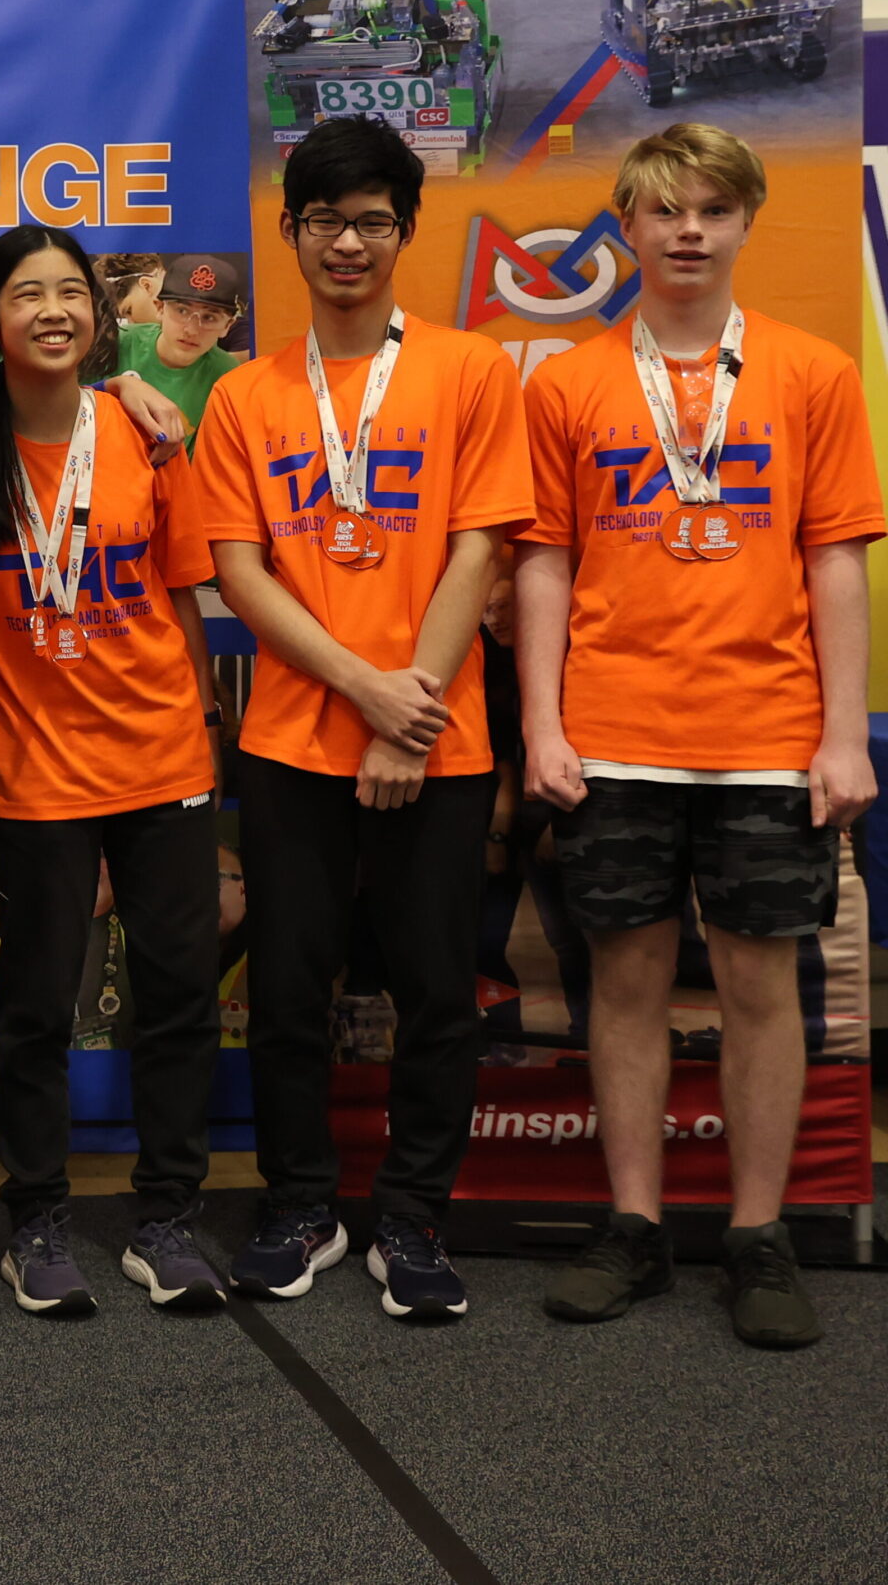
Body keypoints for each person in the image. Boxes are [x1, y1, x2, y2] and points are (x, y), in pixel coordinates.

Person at [519, 124, 881, 1348]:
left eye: (712, 210)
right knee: (620, 985)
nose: (687, 231)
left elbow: (835, 562)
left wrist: (842, 736)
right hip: (611, 738)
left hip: (767, 738)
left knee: (758, 988)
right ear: (625, 225)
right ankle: (632, 1225)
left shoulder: (812, 373)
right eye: (665, 210)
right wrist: (541, 725)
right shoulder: (565, 384)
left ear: (744, 223)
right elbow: (543, 564)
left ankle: (756, 1233)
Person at [195, 116, 531, 1322]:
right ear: (289, 232)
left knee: (437, 989)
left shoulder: (471, 371)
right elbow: (241, 574)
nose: (349, 242)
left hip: (437, 742)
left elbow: (478, 548)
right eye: (327, 220)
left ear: (404, 231)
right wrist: (362, 691)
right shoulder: (245, 396)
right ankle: (299, 1205)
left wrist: (405, 718)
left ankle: (412, 1218)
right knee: (287, 989)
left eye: (373, 221)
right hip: (293, 743)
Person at [0, 224, 229, 1317]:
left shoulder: (144, 434)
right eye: (27, 295)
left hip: (160, 755)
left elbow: (179, 592)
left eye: (72, 291)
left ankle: (168, 1217)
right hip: (35, 768)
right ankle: (36, 1220)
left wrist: (200, 724)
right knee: (35, 1004)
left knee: (178, 995)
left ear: (101, 315)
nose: (54, 311)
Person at [117, 254, 243, 448]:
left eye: (209, 317)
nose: (191, 330)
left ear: (228, 325)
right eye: (182, 311)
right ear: (160, 308)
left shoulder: (227, 376)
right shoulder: (118, 344)